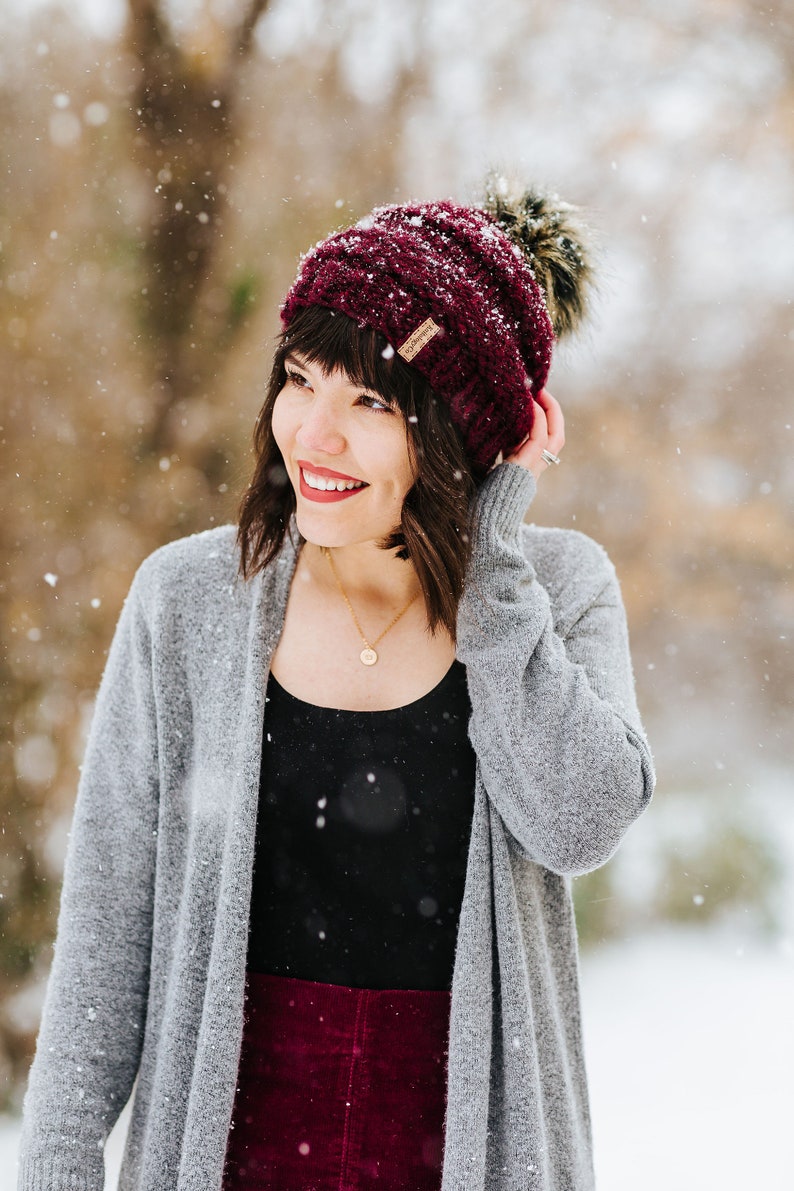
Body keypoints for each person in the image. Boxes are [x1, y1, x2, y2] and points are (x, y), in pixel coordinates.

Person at [18, 183, 655, 1191]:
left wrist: (489, 562)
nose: (313, 435)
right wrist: (57, 1167)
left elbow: (579, 823)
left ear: (458, 437)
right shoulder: (187, 602)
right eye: (301, 380)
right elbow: (105, 943)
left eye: (368, 401)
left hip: (460, 1152)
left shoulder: (555, 591)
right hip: (229, 1153)